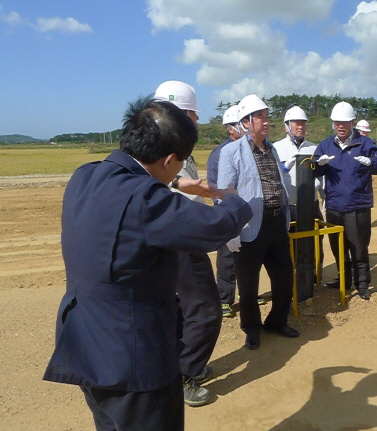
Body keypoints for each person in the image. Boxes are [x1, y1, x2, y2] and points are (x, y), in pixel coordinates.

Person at [43, 96, 252, 431]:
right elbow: (214, 228)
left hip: (85, 343)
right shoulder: (145, 199)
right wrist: (235, 202)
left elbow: (144, 185)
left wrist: (176, 182)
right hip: (134, 359)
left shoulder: (85, 175)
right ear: (170, 159)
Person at [153, 80, 221, 407]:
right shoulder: (169, 149)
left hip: (171, 237)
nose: (196, 122)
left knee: (181, 307)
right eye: (192, 116)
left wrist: (186, 184)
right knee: (206, 308)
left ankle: (180, 365)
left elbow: (164, 180)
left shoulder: (162, 149)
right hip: (180, 238)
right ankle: (186, 375)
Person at [217, 94, 299, 351]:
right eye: (260, 117)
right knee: (249, 286)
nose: (265, 122)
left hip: (276, 224)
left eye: (266, 116)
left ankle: (276, 321)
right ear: (246, 122)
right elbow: (224, 191)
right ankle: (251, 328)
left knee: (285, 279)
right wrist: (230, 229)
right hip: (249, 227)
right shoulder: (231, 152)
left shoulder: (272, 149)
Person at [313, 101, 377, 300]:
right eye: (337, 122)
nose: (341, 126)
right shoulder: (326, 144)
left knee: (359, 247)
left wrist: (371, 162)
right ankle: (343, 279)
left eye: (345, 122)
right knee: (338, 248)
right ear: (333, 123)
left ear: (352, 122)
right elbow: (314, 169)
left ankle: (362, 284)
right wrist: (318, 165)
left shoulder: (364, 143)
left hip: (357, 205)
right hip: (334, 206)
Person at [207, 105, 266, 318]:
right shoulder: (221, 153)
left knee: (247, 260)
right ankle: (224, 298)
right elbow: (215, 186)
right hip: (228, 211)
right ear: (230, 128)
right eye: (237, 126)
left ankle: (245, 294)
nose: (241, 129)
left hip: (247, 213)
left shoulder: (248, 149)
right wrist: (226, 209)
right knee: (227, 258)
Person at [273, 106, 325, 274]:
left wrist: (325, 198)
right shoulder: (276, 148)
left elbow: (322, 177)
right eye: (296, 123)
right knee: (290, 245)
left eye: (303, 123)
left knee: (315, 242)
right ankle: (293, 280)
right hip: (290, 206)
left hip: (311, 205)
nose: (300, 126)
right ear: (286, 126)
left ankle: (314, 278)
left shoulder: (314, 148)